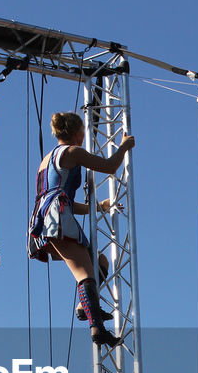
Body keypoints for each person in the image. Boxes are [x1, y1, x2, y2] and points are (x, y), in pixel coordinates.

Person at [28, 111, 135, 347]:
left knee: (100, 263)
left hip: (47, 216)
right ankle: (97, 328)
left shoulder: (46, 160)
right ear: (78, 133)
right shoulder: (72, 151)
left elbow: (58, 197)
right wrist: (124, 147)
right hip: (57, 218)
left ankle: (84, 307)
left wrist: (97, 206)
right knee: (85, 274)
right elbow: (109, 166)